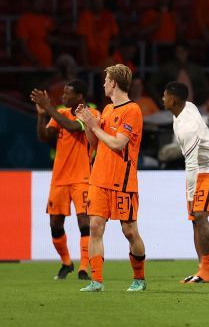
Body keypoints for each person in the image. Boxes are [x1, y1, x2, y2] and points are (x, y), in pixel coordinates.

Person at [76, 65, 146, 292]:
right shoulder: (106, 110)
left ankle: (139, 278)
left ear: (114, 83)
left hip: (122, 181)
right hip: (99, 179)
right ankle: (96, 281)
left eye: (106, 80)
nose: (103, 83)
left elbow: (117, 143)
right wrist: (87, 123)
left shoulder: (132, 111)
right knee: (95, 227)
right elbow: (95, 143)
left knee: (129, 231)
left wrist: (95, 126)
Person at [30, 81, 98, 281]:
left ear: (79, 96)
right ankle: (67, 262)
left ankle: (84, 268)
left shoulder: (90, 114)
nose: (63, 97)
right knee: (55, 224)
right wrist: (42, 114)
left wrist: (49, 107)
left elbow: (72, 127)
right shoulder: (60, 113)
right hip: (59, 178)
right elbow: (44, 137)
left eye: (67, 94)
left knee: (84, 222)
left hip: (83, 177)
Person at [163, 81, 209, 284]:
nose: (162, 99)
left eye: (165, 96)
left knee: (199, 214)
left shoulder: (188, 126)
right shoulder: (185, 109)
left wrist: (190, 195)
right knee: (196, 219)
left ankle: (207, 269)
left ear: (174, 100)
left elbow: (191, 165)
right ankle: (201, 269)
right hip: (199, 169)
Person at [148, 41, 209, 105]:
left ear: (188, 52)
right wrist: (160, 102)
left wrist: (200, 101)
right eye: (178, 52)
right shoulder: (167, 68)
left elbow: (206, 89)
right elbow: (151, 84)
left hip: (192, 107)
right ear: (175, 53)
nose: (181, 54)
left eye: (183, 51)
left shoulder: (195, 69)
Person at [77, 0, 119, 68]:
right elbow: (82, 40)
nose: (98, 4)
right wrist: (85, 62)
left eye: (100, 1)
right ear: (91, 2)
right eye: (96, 1)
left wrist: (113, 58)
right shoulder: (85, 16)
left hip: (105, 61)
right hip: (89, 60)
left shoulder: (108, 16)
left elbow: (115, 38)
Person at [16, 0, 54, 67]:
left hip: (47, 65)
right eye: (38, 2)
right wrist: (34, 62)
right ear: (30, 3)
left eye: (42, 2)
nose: (41, 4)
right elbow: (23, 45)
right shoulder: (24, 20)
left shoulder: (48, 19)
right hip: (31, 67)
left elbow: (53, 39)